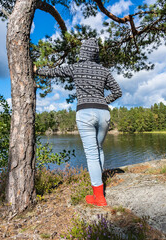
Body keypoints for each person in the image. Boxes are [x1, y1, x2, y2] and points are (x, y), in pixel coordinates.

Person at [34, 38, 122, 206]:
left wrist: (38, 71)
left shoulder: (76, 67)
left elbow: (55, 72)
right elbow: (118, 91)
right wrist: (104, 100)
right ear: (95, 53)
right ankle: (100, 182)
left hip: (85, 112)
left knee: (91, 153)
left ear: (83, 52)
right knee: (98, 149)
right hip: (104, 113)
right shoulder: (104, 70)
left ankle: (99, 197)